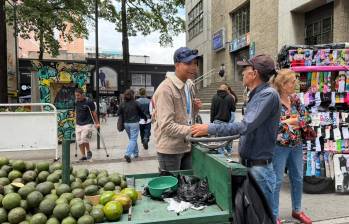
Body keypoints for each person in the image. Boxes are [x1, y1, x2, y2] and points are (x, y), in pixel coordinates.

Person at [192, 54, 281, 209]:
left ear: (254, 73)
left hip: (259, 170)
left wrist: (210, 128)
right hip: (251, 166)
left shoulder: (268, 95)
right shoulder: (257, 94)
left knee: (262, 217)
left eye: (245, 69)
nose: (242, 73)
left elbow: (244, 127)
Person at [270, 69, 312, 224]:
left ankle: (297, 210)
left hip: (296, 145)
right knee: (277, 181)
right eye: (293, 82)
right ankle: (273, 215)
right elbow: (272, 125)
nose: (296, 84)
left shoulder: (295, 99)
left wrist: (289, 122)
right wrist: (291, 122)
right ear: (283, 84)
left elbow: (307, 118)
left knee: (298, 178)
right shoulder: (273, 101)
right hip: (279, 147)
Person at [152, 47, 202, 171]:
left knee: (187, 186)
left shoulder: (189, 85)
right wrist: (195, 130)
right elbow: (167, 126)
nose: (193, 67)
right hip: (170, 149)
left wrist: (194, 109)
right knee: (172, 188)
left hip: (187, 145)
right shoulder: (166, 89)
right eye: (188, 63)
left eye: (195, 63)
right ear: (177, 65)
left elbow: (185, 115)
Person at [117, 89, 146, 163]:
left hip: (126, 124)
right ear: (132, 95)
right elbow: (141, 112)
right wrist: (145, 118)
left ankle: (136, 154)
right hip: (134, 123)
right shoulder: (136, 103)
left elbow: (118, 113)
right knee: (133, 139)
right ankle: (128, 154)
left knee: (132, 139)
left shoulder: (122, 104)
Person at [75, 88, 100, 161]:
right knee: (78, 140)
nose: (77, 97)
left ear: (82, 94)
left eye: (78, 95)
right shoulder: (76, 102)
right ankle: (83, 155)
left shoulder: (89, 102)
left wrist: (97, 123)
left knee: (84, 138)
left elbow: (94, 113)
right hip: (78, 123)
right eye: (76, 95)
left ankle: (88, 151)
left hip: (87, 123)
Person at [210, 84, 235, 154]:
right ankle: (228, 154)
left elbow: (212, 110)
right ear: (227, 89)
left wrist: (211, 121)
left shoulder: (214, 97)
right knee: (226, 139)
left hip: (216, 121)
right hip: (226, 122)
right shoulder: (230, 97)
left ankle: (221, 155)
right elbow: (233, 109)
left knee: (218, 141)